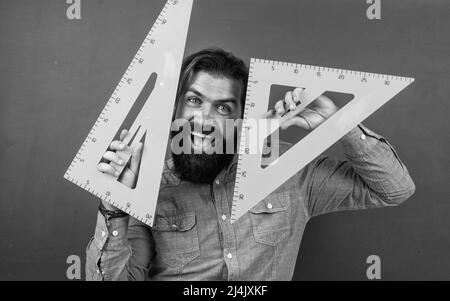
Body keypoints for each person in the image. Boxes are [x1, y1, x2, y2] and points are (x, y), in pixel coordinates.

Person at [86, 48, 415, 280]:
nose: (204, 121)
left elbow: (394, 189)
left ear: (242, 117)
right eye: (194, 101)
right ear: (175, 107)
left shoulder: (290, 171)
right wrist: (114, 207)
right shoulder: (146, 184)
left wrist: (340, 122)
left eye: (224, 109)